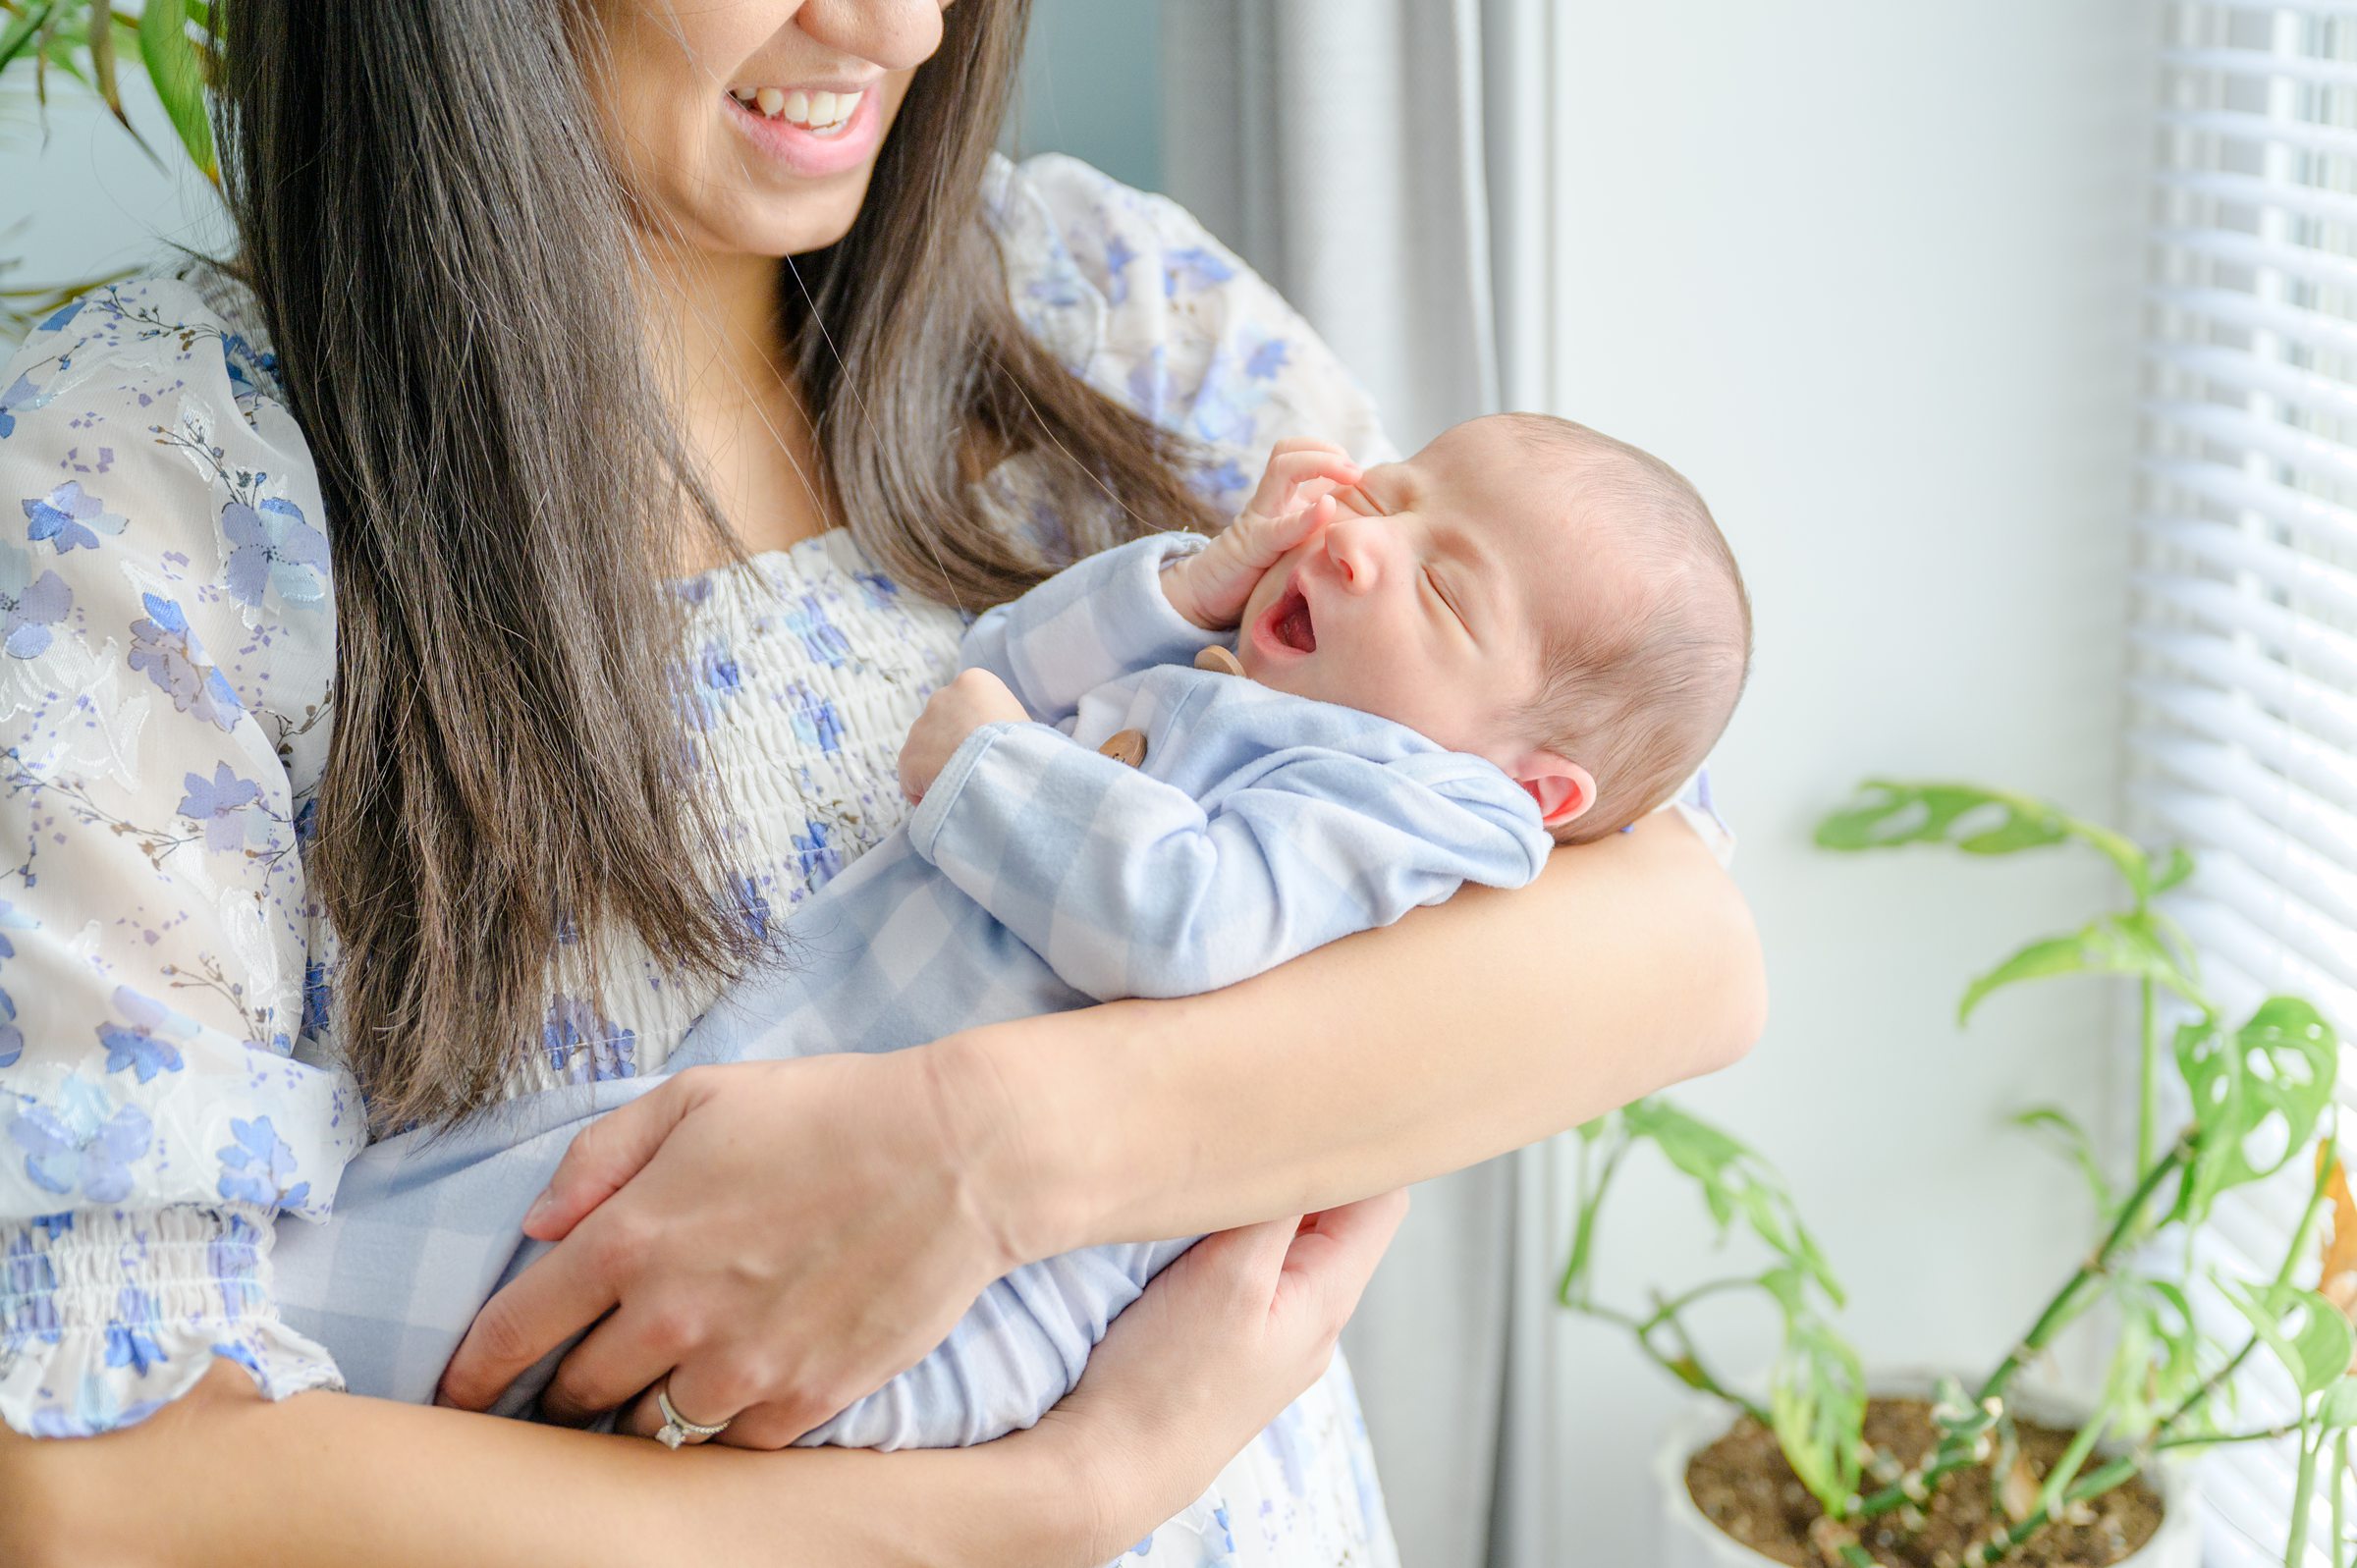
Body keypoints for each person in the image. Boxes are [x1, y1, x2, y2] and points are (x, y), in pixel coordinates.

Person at [0, 2, 1765, 1563]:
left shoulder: (1090, 301)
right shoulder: (146, 484)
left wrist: (991, 1152)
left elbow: (1678, 936)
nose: (902, 29)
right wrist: (1044, 1505)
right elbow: (90, 1481)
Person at [269, 415, 1749, 1453]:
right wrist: (1189, 583)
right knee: (465, 1244)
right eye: (1391, 489)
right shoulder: (1269, 687)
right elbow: (995, 670)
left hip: (990, 1310)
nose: (1364, 542)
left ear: (1532, 786)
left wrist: (988, 771)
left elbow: (1179, 918)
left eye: (1440, 583)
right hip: (791, 1112)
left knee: (550, 1323)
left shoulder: (1415, 811)